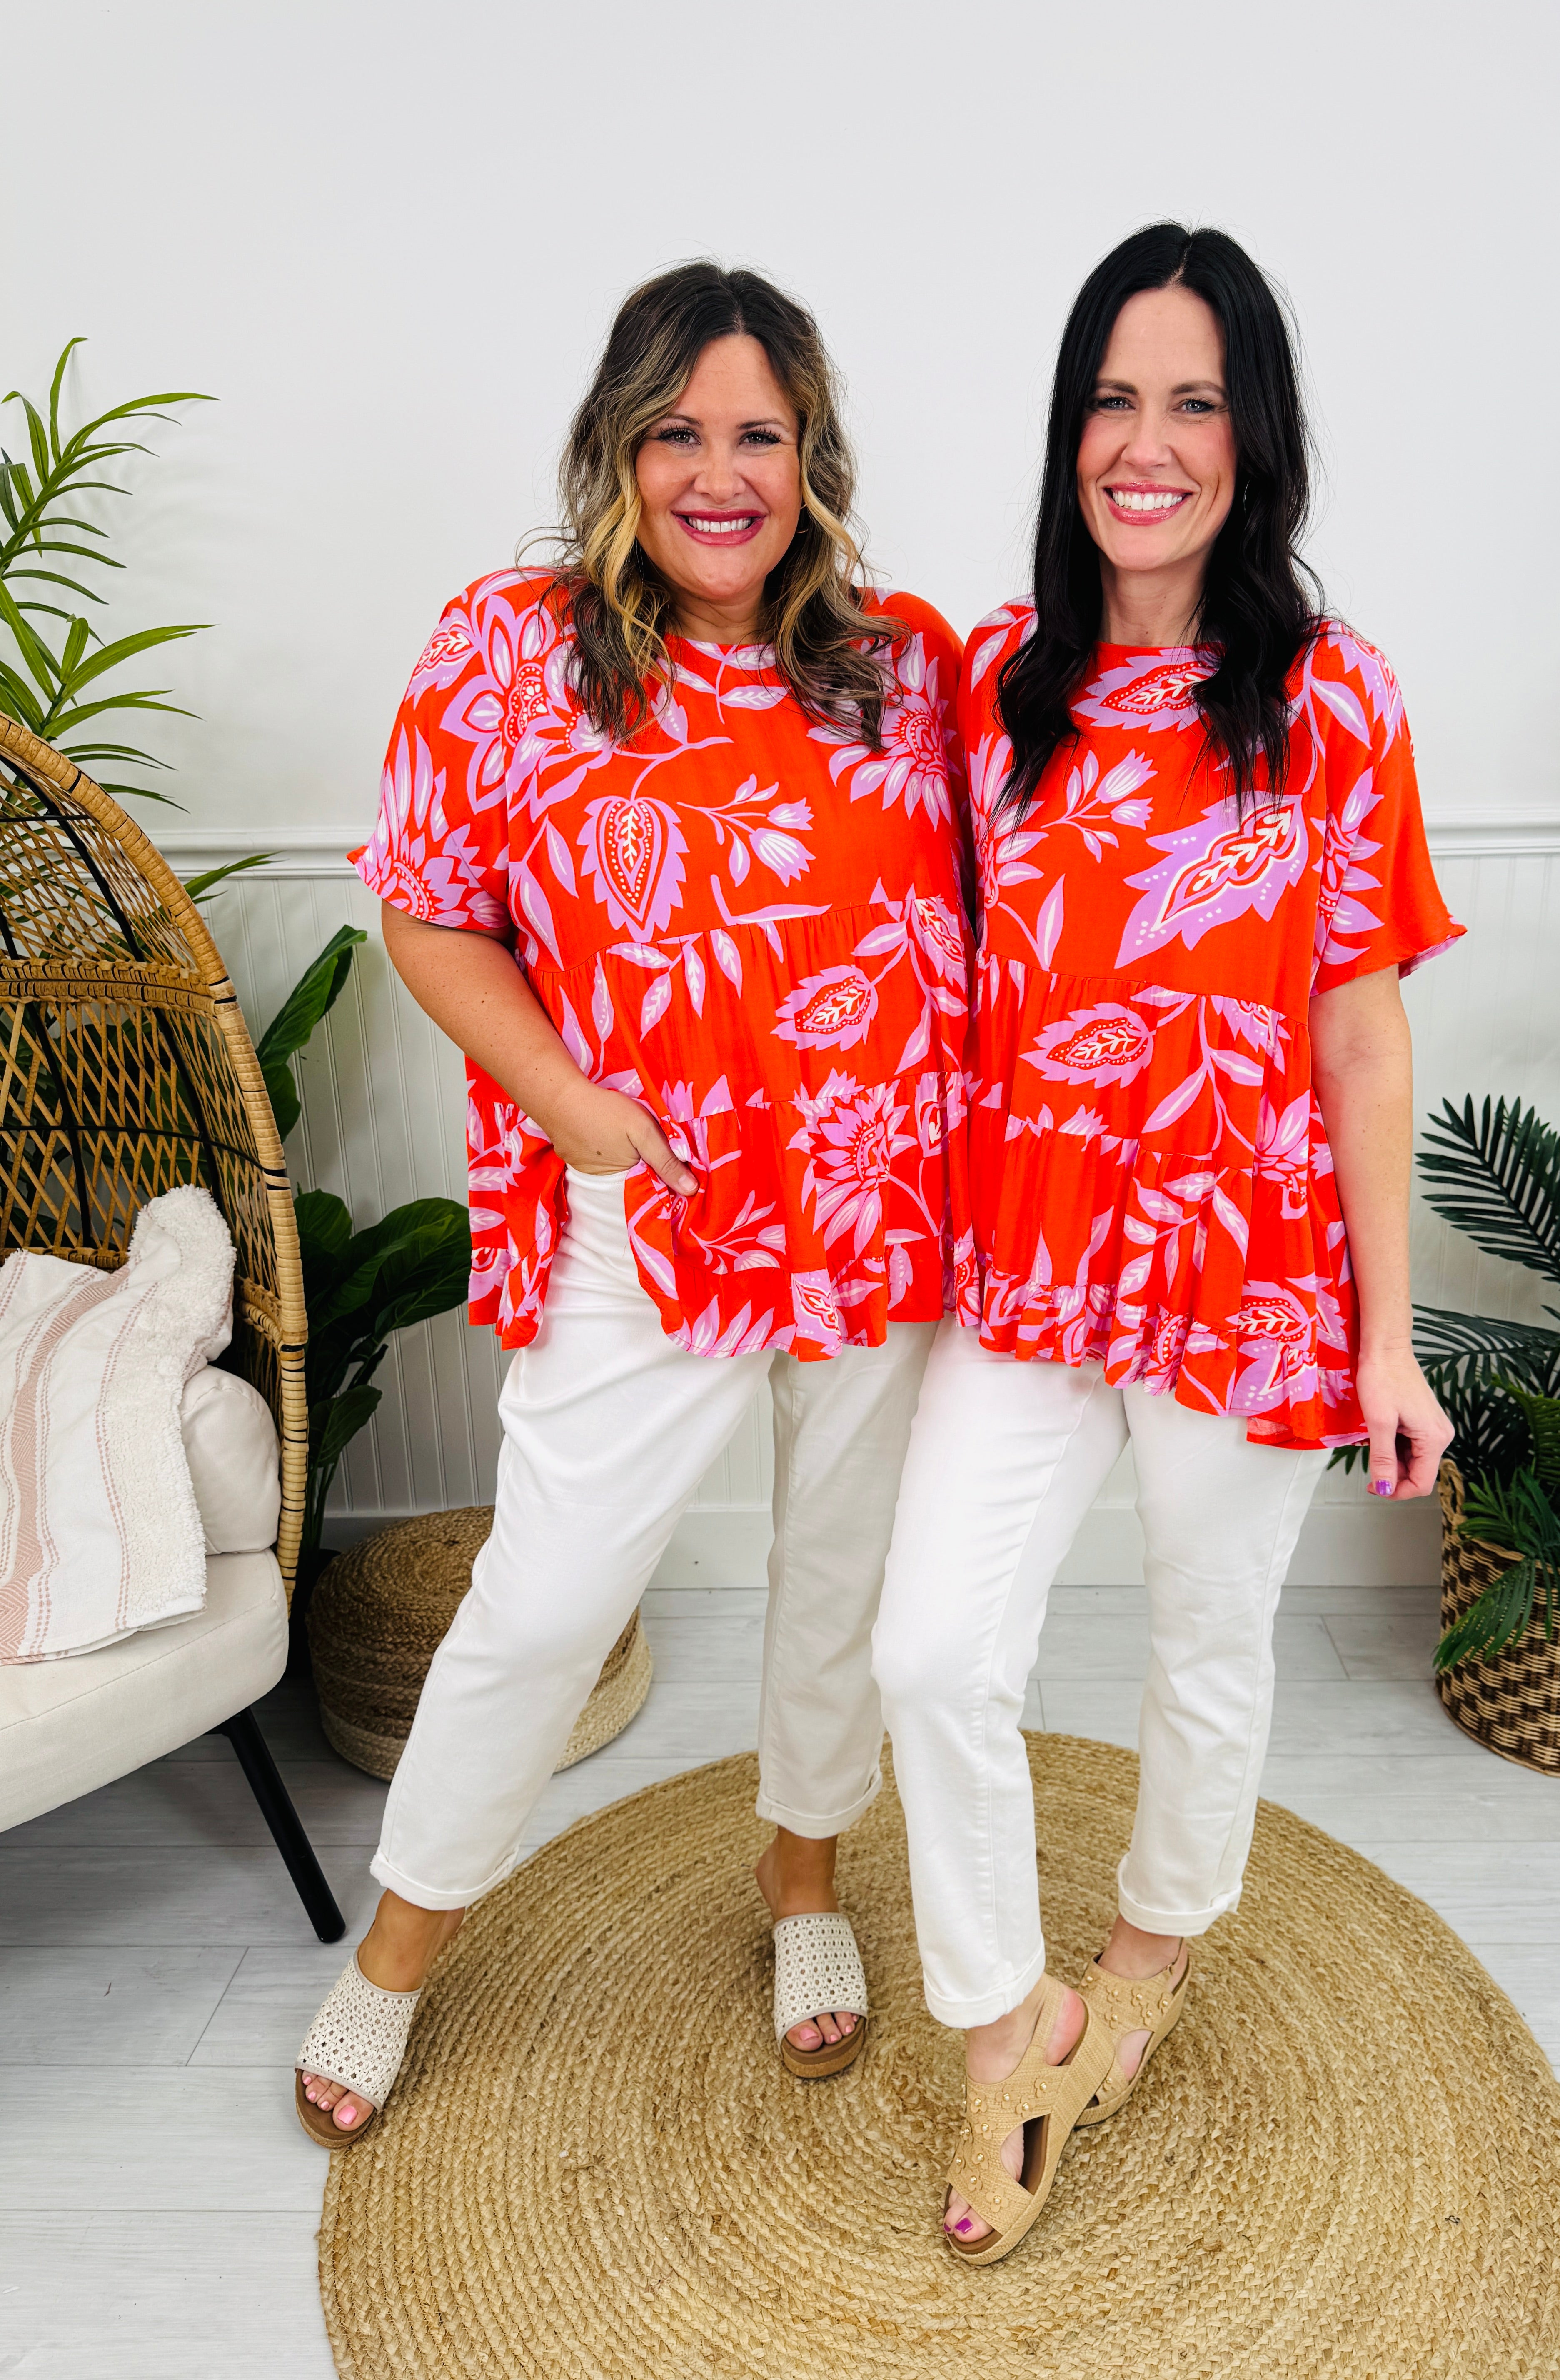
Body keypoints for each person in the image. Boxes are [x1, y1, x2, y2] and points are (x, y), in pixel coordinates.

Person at [296, 262, 969, 2143]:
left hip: (880, 1216)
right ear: (618, 446)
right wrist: (578, 1110)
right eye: (679, 432)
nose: (719, 475)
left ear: (812, 456)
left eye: (760, 434)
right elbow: (429, 911)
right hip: (652, 1214)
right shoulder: (509, 651)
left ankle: (802, 1875)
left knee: (840, 1578)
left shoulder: (902, 665)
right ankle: (396, 1953)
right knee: (545, 1603)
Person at [869, 223, 1462, 2261]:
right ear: (1071, 431)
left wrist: (1391, 1337)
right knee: (932, 1648)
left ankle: (1147, 1958)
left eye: (1195, 400)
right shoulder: (989, 686)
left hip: (1252, 1270)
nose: (1149, 442)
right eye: (1115, 398)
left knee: (1208, 1640)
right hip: (1031, 1262)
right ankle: (1006, 2028)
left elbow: (1361, 1032)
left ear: (1253, 435)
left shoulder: (1334, 697)